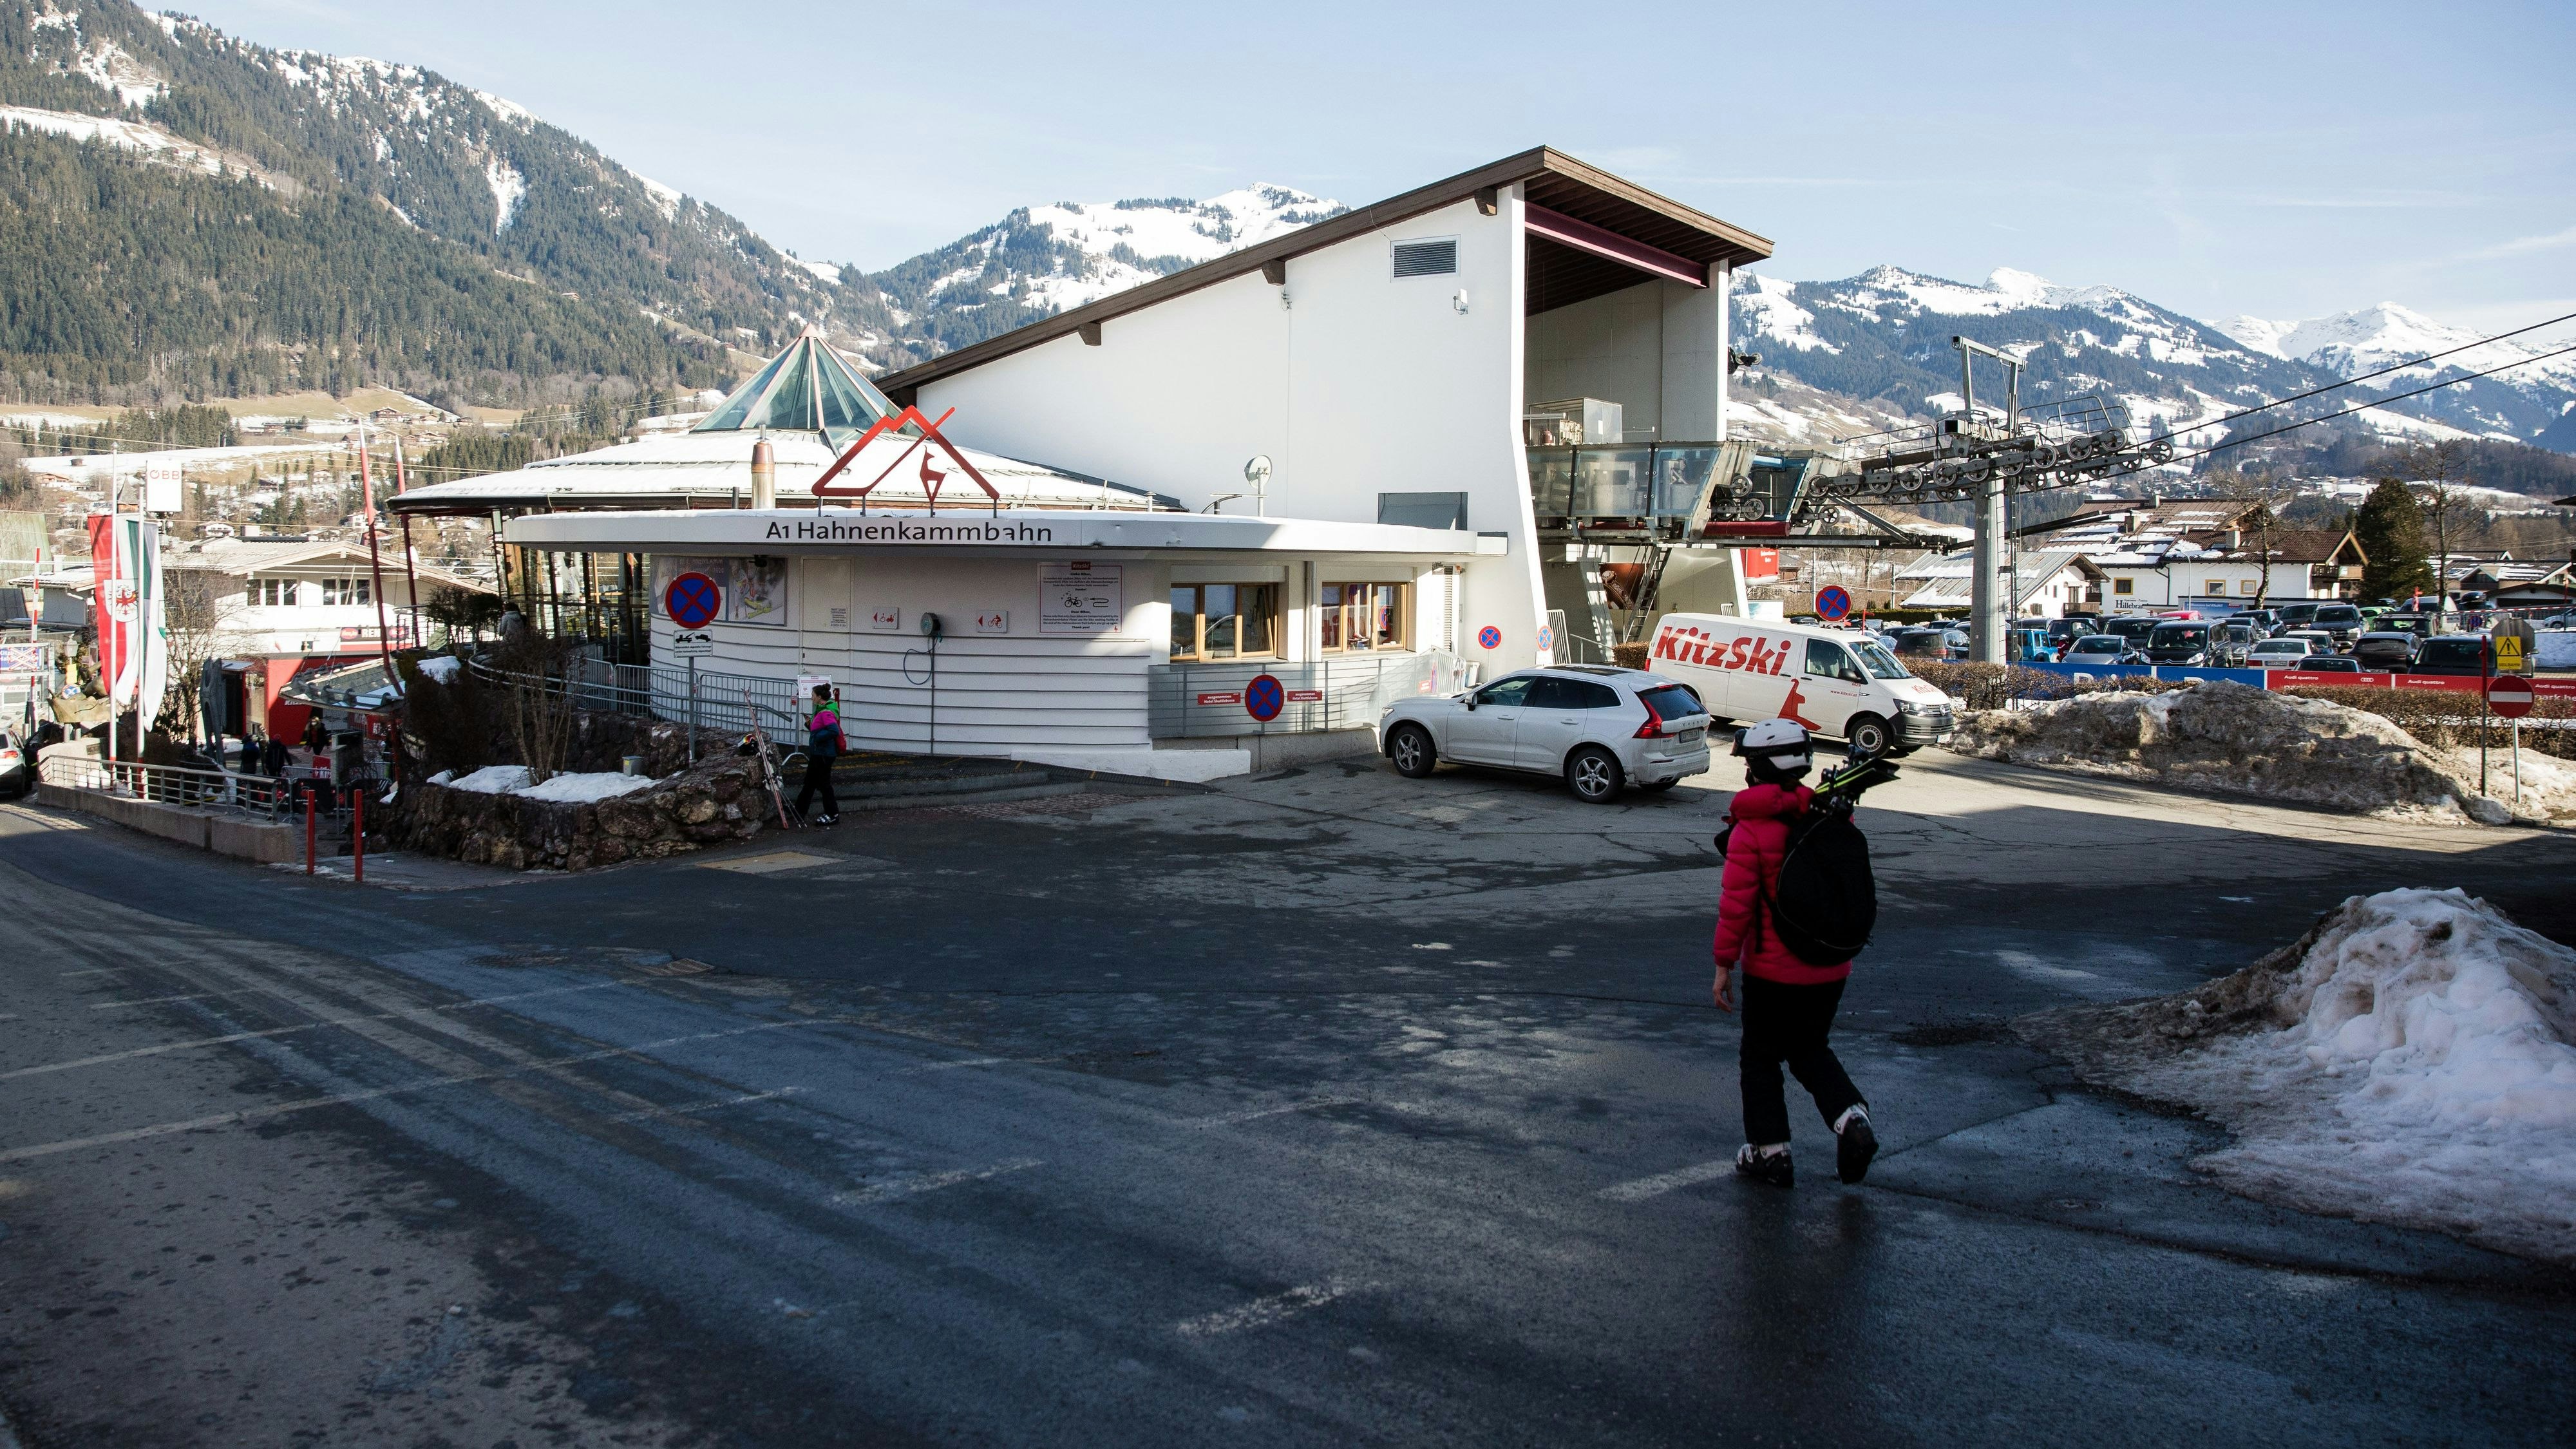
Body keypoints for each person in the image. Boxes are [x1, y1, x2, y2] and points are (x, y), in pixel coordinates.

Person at [1711, 718, 1876, 1188]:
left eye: (1748, 763)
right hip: (1831, 964)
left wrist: (1724, 965)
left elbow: (1736, 908)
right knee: (1809, 1048)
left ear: (1760, 769)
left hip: (1772, 972)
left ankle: (1770, 1152)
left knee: (1759, 1057)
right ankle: (1852, 1120)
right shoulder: (1829, 816)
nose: (1745, 771)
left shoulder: (1751, 831)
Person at [794, 683, 844, 825]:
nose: (812, 697)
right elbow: (821, 728)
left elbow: (834, 730)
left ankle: (832, 814)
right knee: (811, 783)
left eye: (813, 695)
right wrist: (811, 725)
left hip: (823, 754)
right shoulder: (821, 710)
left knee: (822, 785)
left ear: (819, 697)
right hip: (820, 753)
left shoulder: (826, 712)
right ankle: (799, 811)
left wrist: (817, 737)